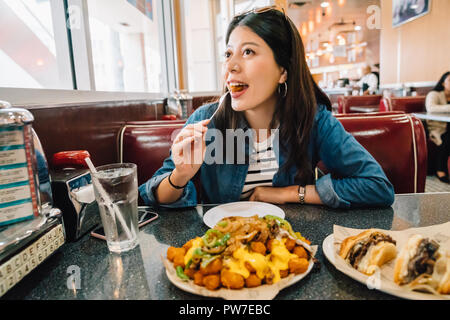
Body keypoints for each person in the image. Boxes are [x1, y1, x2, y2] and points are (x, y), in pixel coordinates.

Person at [139, 6, 394, 209]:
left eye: (248, 52)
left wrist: (287, 194)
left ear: (283, 70)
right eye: (228, 54)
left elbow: (377, 186)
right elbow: (151, 195)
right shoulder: (207, 121)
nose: (230, 66)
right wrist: (180, 176)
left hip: (288, 251)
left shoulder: (312, 120)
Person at [425, 71, 450, 183]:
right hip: (437, 128)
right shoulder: (434, 94)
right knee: (448, 137)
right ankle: (440, 169)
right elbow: (431, 108)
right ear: (443, 83)